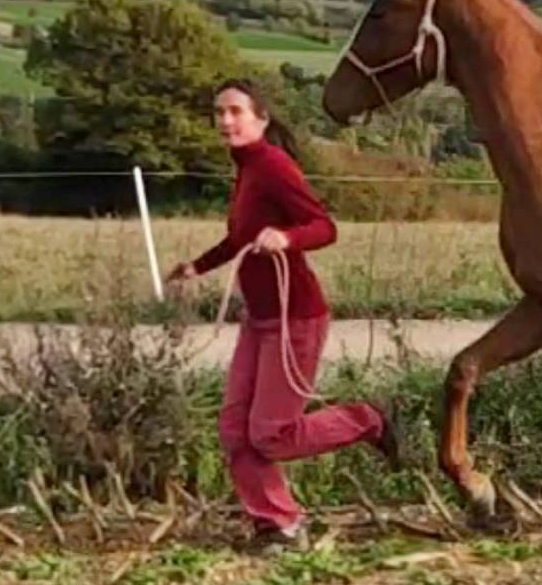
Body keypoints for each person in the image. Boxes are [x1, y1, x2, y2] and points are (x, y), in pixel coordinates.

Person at [167, 78, 399, 552]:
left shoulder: (273, 166)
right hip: (260, 320)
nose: (226, 121)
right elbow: (238, 239)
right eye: (219, 113)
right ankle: (279, 523)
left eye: (235, 111)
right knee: (235, 429)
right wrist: (195, 267)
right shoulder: (246, 169)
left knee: (272, 435)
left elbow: (324, 227)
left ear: (261, 118)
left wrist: (288, 238)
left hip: (297, 319)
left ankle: (367, 419)